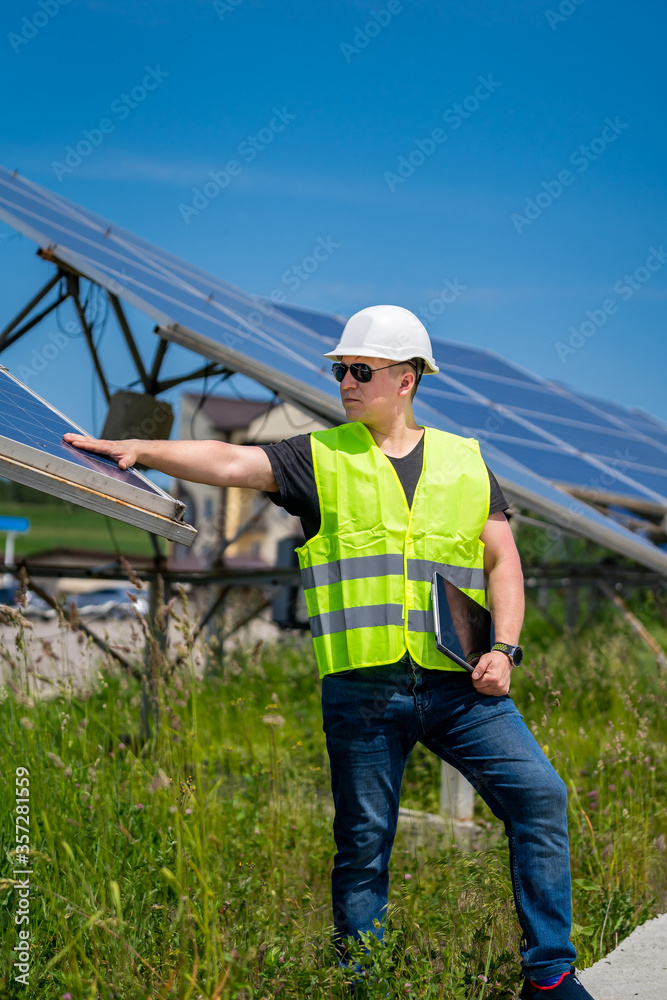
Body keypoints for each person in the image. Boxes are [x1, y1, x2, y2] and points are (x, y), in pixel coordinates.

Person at [64, 304, 596, 999]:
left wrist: (504, 647)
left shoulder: (466, 463)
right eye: (340, 369)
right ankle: (363, 983)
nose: (344, 380)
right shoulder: (318, 457)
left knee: (540, 796)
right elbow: (228, 458)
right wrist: (141, 452)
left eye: (360, 370)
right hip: (362, 691)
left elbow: (503, 563)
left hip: (460, 686)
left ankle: (549, 977)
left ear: (405, 379)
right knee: (365, 843)